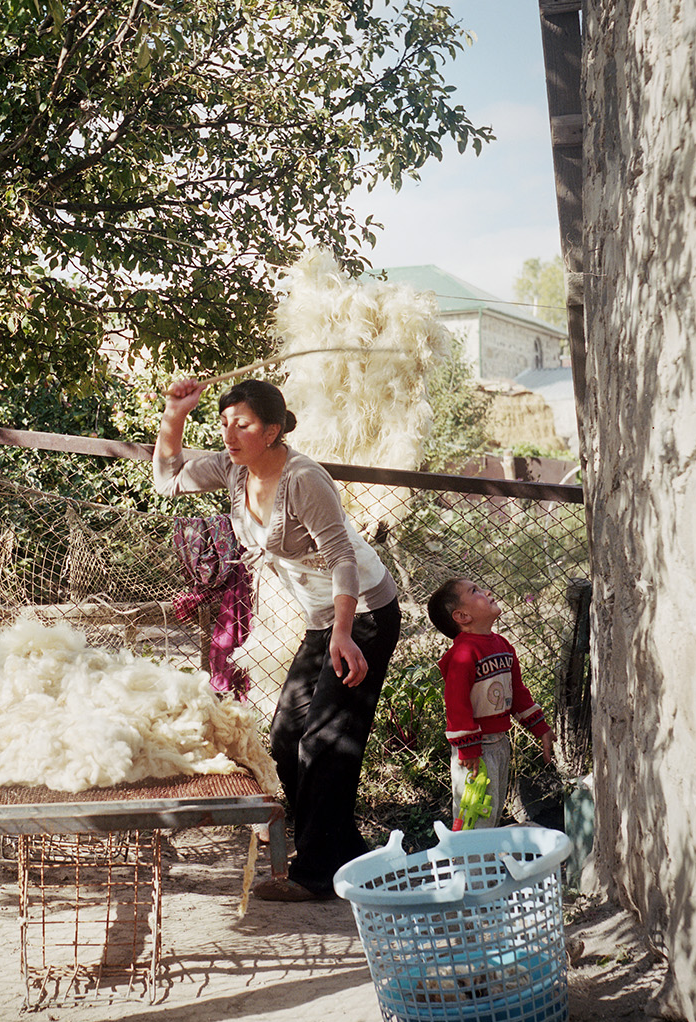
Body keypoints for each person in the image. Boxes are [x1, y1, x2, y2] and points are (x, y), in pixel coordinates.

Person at [154, 376, 401, 901]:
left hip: (364, 616)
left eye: (241, 424)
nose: (229, 434)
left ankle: (316, 874)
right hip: (326, 620)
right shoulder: (231, 468)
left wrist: (343, 633)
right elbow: (166, 479)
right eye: (223, 424)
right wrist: (175, 413)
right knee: (287, 737)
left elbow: (341, 559)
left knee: (325, 742)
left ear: (271, 430)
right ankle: (341, 851)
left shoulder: (304, 479)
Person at [427, 576, 554, 830]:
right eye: (475, 591)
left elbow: (517, 693)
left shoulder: (503, 646)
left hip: (499, 743)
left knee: (492, 809)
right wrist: (469, 748)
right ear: (462, 616)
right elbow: (456, 703)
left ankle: (484, 861)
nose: (486, 591)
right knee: (474, 811)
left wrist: (541, 729)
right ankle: (466, 865)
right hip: (475, 749)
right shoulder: (463, 654)